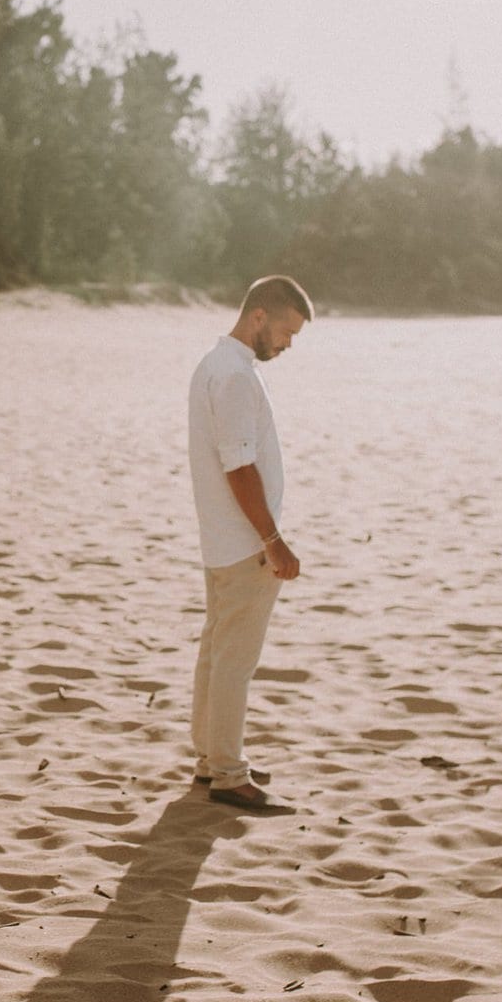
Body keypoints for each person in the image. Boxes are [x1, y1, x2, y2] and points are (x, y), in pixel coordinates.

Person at [186, 275, 313, 811]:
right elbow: (238, 466)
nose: (288, 344)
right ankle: (229, 775)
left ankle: (212, 759)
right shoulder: (235, 376)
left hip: (221, 537)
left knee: (217, 655)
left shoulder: (214, 365)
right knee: (234, 661)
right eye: (285, 331)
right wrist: (273, 539)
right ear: (258, 316)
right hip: (243, 543)